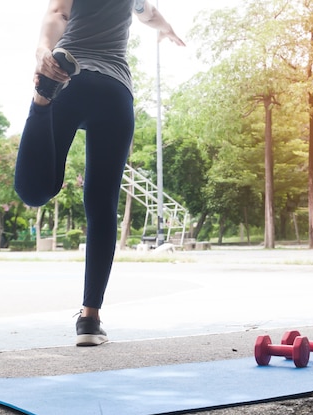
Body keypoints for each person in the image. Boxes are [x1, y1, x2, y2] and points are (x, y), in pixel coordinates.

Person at [14, 0, 185, 346]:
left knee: (36, 192)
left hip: (68, 78)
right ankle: (89, 320)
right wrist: (166, 30)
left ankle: (41, 101)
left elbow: (59, 13)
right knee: (102, 204)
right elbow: (146, 13)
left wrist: (43, 50)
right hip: (114, 91)